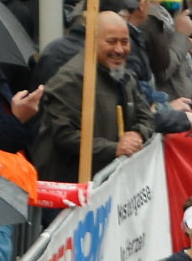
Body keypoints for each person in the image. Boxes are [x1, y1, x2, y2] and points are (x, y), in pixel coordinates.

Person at [29, 11, 158, 182]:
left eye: (124, 42)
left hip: (106, 183)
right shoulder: (71, 79)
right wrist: (115, 148)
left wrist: (137, 134)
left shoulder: (123, 74)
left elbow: (146, 115)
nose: (119, 49)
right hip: (69, 187)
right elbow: (65, 135)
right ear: (92, 41)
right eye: (111, 41)